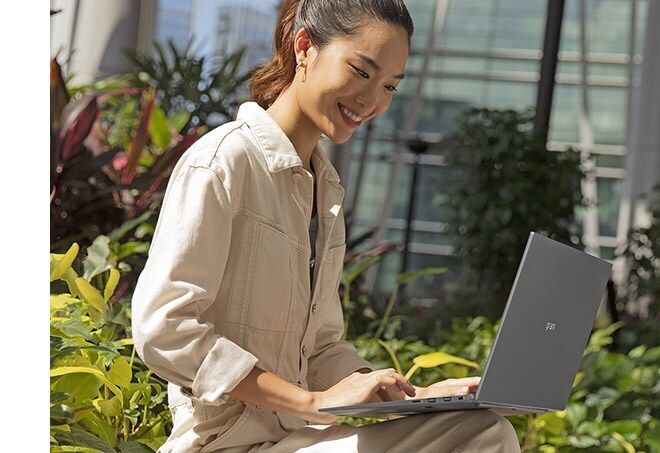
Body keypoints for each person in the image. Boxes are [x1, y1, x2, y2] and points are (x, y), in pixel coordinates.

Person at [131, 0, 521, 451]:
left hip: (296, 439)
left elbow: (318, 349)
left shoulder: (324, 187)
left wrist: (418, 399)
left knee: (481, 427)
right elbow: (164, 326)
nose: (372, 101)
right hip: (225, 443)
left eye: (390, 86)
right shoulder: (223, 163)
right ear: (304, 48)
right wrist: (309, 401)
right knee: (483, 437)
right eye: (361, 71)